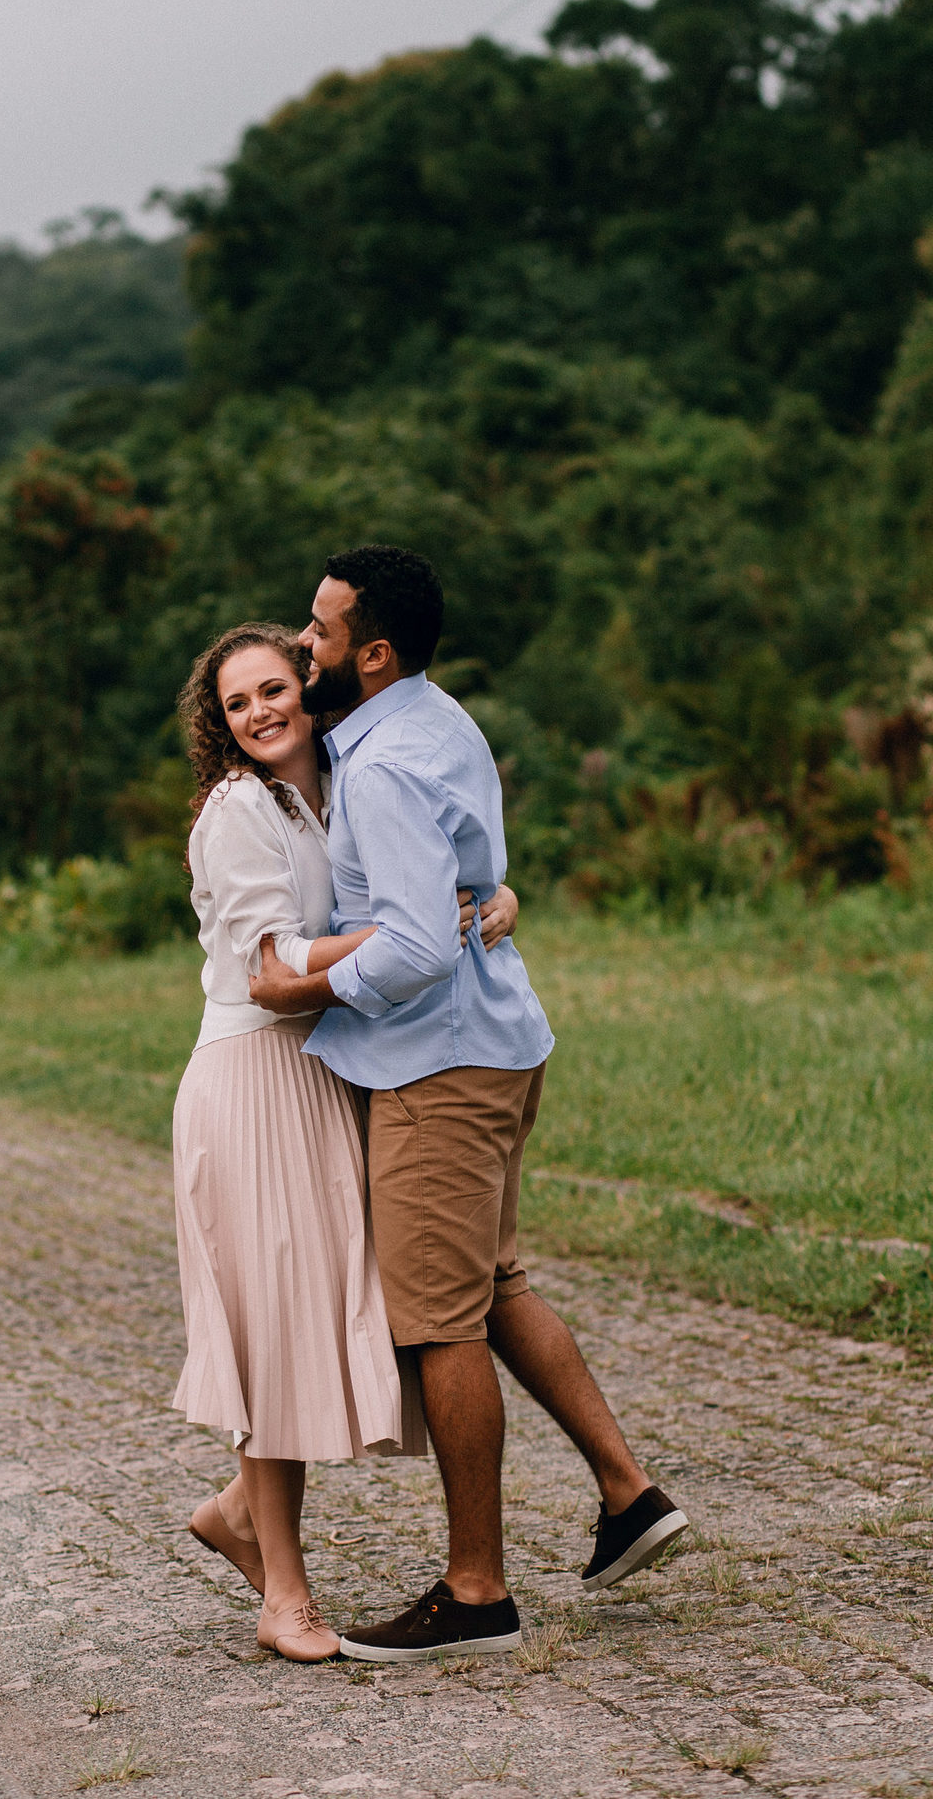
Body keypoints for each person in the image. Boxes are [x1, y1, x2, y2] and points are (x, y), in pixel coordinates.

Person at [249, 546, 689, 1663]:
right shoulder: (437, 721)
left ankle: (477, 1590)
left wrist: (300, 979)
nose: (305, 646)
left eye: (322, 632)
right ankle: (630, 1494)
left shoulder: (384, 765)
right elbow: (463, 880)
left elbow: (407, 949)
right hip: (496, 1044)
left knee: (440, 1322)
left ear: (375, 653)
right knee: (492, 1286)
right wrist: (492, 897)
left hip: (437, 1068)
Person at [171, 621, 519, 1663]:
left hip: (327, 1073)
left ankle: (242, 1510)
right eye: (238, 704)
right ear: (220, 724)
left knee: (322, 1316)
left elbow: (441, 871)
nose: (260, 712)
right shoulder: (240, 809)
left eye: (274, 688)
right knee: (272, 1331)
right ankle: (282, 1591)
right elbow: (271, 962)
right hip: (251, 1078)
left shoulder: (348, 781)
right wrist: (415, 928)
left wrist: (488, 897)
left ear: (305, 687)